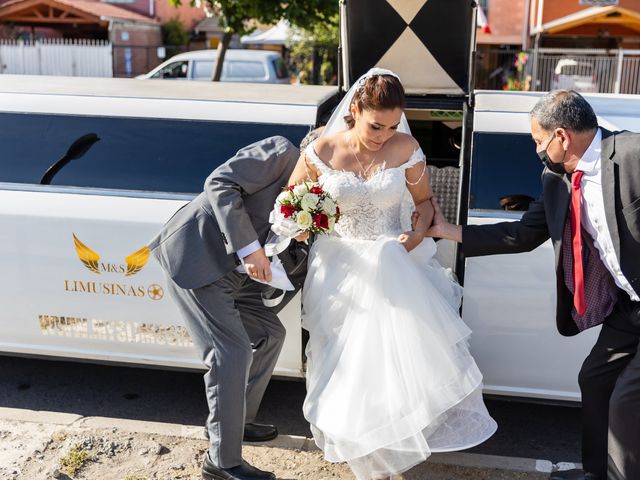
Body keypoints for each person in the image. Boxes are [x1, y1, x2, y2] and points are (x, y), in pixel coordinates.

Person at [286, 68, 497, 480]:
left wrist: (413, 239)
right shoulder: (321, 150)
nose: (383, 134)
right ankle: (361, 451)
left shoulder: (406, 148)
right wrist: (303, 221)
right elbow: (291, 202)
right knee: (343, 363)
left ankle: (384, 455)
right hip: (337, 271)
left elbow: (425, 206)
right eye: (375, 125)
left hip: (392, 266)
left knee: (388, 365)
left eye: (392, 125)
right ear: (356, 109)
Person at [426, 90, 640, 480]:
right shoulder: (556, 179)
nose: (537, 149)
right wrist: (447, 231)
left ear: (562, 136)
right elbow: (523, 234)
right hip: (631, 307)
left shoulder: (631, 153)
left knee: (626, 404)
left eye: (538, 141)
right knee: (595, 380)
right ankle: (596, 472)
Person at [148, 134, 315, 480]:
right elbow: (219, 183)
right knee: (231, 352)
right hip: (200, 257)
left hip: (241, 279)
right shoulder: (282, 153)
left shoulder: (319, 195)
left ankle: (237, 423)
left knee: (271, 334)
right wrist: (250, 248)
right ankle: (221, 462)